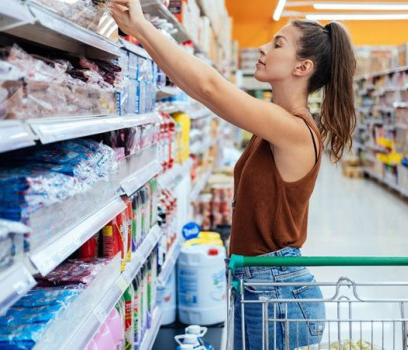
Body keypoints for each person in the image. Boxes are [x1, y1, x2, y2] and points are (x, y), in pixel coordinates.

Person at [111, 1, 356, 349]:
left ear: (302, 66)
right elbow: (199, 90)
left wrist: (142, 25)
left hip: (276, 293)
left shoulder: (296, 129)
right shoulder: (273, 123)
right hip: (259, 283)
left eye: (277, 44)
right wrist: (138, 33)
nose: (263, 48)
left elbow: (211, 86)